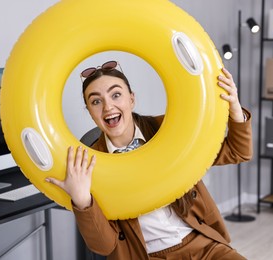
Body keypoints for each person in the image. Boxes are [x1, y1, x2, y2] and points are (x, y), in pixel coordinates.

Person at [45, 60, 253, 259]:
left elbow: (237, 151)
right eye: (96, 101)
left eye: (116, 95)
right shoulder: (90, 165)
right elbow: (104, 246)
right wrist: (83, 201)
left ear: (131, 99)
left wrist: (234, 107)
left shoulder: (166, 130)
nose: (108, 107)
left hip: (202, 246)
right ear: (90, 112)